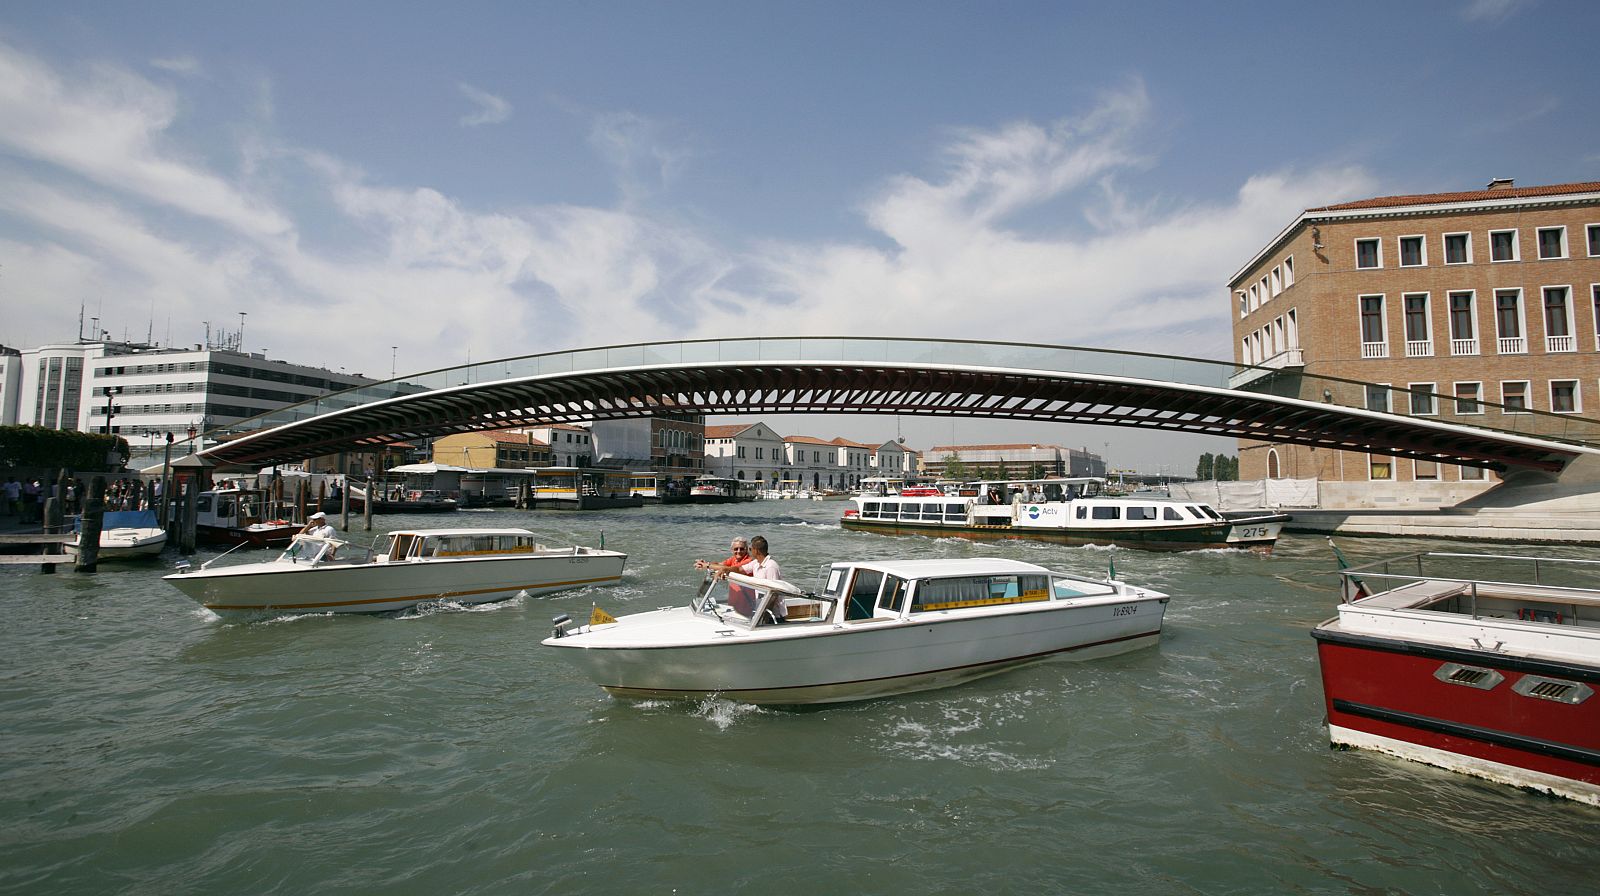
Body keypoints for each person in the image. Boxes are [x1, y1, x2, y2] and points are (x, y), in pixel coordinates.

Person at [696, 537, 754, 614]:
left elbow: (728, 568)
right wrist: (703, 563)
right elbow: (719, 565)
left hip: (748, 604)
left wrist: (707, 565)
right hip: (735, 602)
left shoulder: (749, 561)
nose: (738, 551)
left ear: (746, 549)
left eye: (742, 549)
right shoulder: (733, 559)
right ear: (732, 550)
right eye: (736, 549)